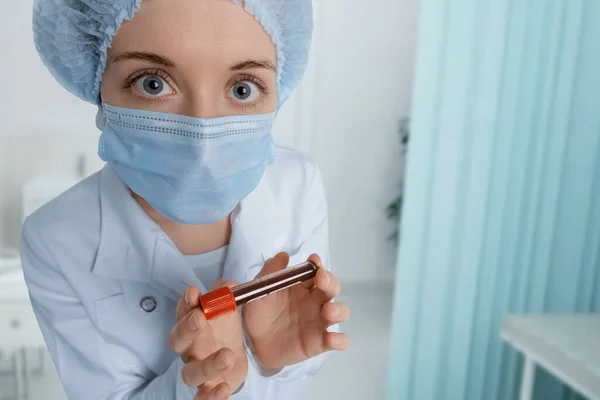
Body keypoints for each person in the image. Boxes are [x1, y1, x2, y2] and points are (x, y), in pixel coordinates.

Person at [21, 0, 350, 399]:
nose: (202, 138)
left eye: (242, 88)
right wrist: (202, 383)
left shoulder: (298, 182)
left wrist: (270, 359)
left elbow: (308, 356)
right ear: (97, 82)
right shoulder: (54, 237)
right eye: (152, 83)